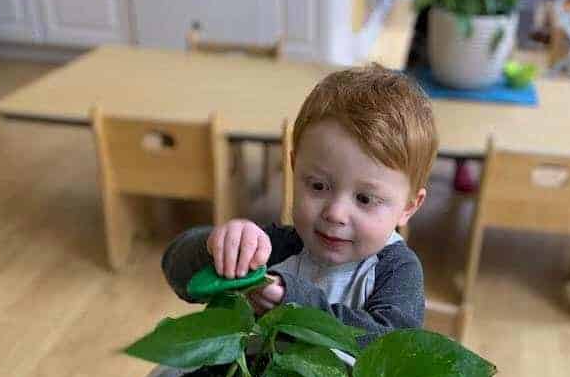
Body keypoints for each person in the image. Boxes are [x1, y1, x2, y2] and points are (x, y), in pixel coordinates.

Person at [161, 63, 439, 345]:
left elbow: (391, 346)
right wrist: (216, 246)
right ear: (294, 168)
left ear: (409, 207)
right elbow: (177, 272)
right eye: (318, 186)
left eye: (365, 199)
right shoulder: (280, 247)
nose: (335, 214)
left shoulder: (395, 270)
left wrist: (295, 302)